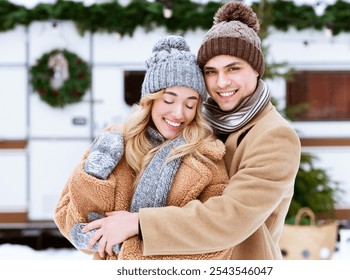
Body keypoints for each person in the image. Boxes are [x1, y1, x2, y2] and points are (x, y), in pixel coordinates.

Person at [82, 0, 301, 260]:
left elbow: (231, 218)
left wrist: (139, 223)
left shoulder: (275, 136)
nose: (221, 82)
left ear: (256, 69)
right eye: (211, 71)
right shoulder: (196, 122)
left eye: (233, 68)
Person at [53, 35, 233, 260]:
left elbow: (215, 241)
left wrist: (132, 247)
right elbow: (73, 224)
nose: (179, 113)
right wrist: (94, 176)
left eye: (190, 104)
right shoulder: (115, 143)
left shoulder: (208, 159)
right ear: (151, 100)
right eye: (169, 100)